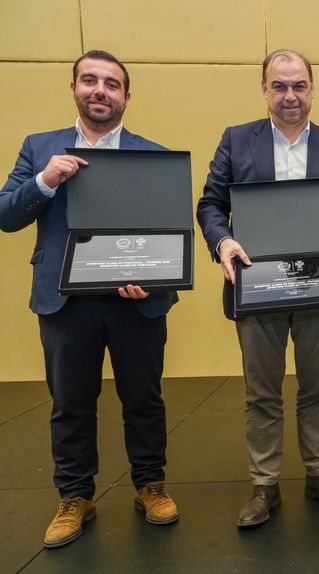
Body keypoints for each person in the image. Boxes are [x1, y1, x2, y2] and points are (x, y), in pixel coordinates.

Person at [0, 50, 180, 548]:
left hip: (134, 302)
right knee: (70, 404)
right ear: (75, 88)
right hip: (64, 302)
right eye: (90, 81)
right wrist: (45, 181)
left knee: (143, 399)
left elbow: (171, 235)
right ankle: (74, 496)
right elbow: (6, 215)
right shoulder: (40, 150)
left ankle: (150, 484)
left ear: (126, 96)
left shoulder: (154, 155)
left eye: (111, 84)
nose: (100, 90)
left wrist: (157, 282)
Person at [197, 49, 319, 527]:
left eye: (298, 86)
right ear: (264, 90)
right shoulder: (236, 141)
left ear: (312, 89)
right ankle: (264, 485)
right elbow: (211, 204)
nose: (290, 95)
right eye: (280, 86)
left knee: (318, 388)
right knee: (261, 392)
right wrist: (224, 241)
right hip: (257, 285)